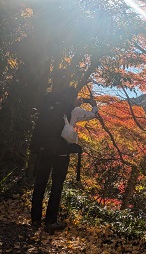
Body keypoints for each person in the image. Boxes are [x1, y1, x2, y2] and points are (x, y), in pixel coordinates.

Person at [30, 86, 98, 234]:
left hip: (43, 150)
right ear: (72, 97)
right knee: (56, 186)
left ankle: (35, 220)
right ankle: (50, 222)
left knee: (40, 183)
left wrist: (75, 102)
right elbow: (93, 116)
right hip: (60, 153)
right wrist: (94, 105)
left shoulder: (50, 107)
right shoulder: (75, 111)